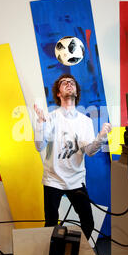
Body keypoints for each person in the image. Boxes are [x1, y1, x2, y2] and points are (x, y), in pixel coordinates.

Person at [34, 74, 111, 240]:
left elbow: (89, 151)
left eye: (72, 82)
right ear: (59, 93)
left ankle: (75, 253)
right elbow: (39, 146)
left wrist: (102, 136)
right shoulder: (50, 117)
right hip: (53, 179)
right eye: (64, 83)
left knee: (88, 223)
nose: (69, 84)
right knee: (51, 225)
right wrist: (40, 123)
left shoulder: (85, 121)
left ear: (76, 91)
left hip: (76, 180)